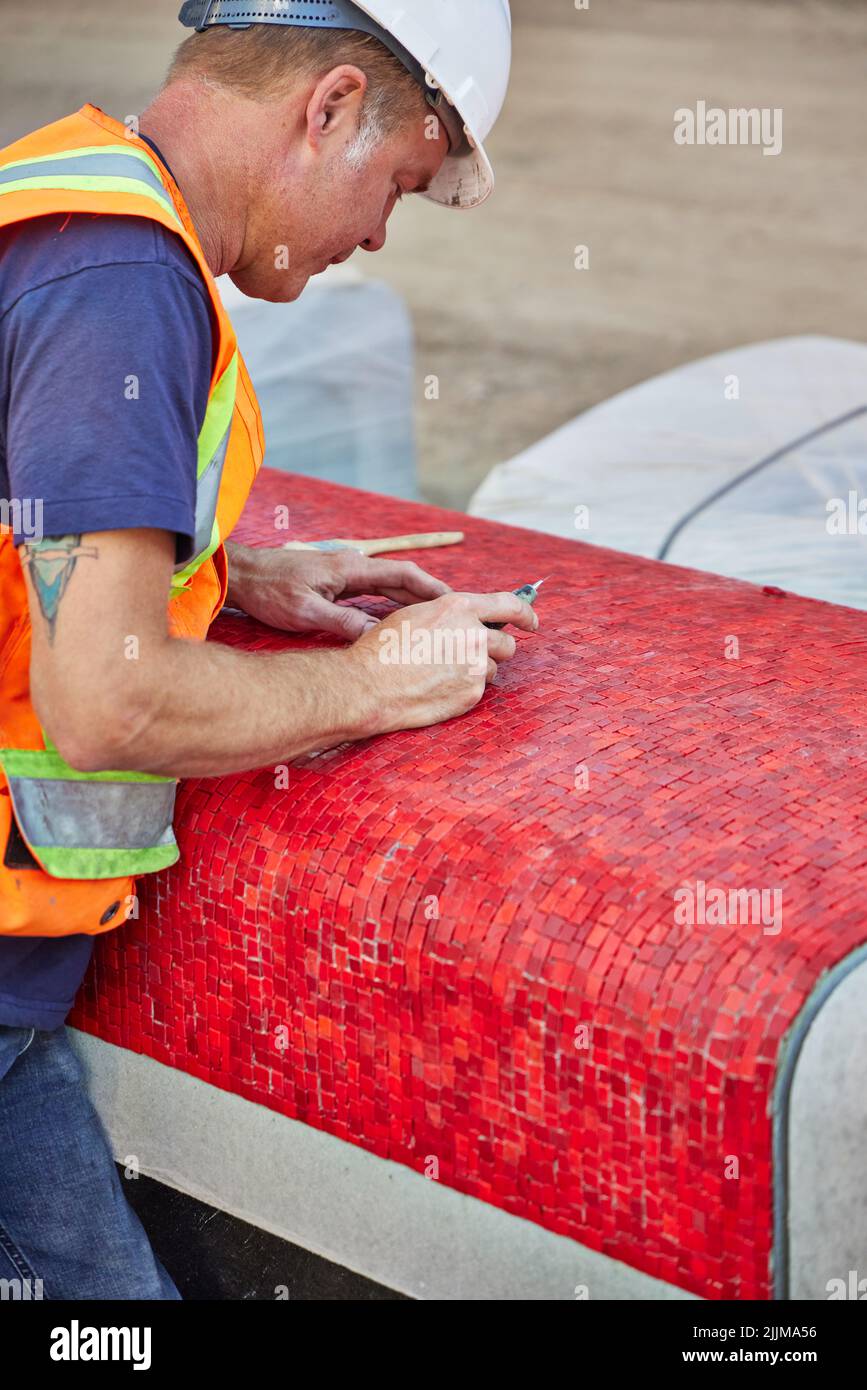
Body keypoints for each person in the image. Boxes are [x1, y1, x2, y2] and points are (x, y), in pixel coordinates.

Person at [0, 1, 529, 1298]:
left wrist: (233, 572)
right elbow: (106, 700)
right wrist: (379, 677)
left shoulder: (66, 199)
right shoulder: (122, 289)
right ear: (331, 104)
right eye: (400, 183)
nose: (378, 236)